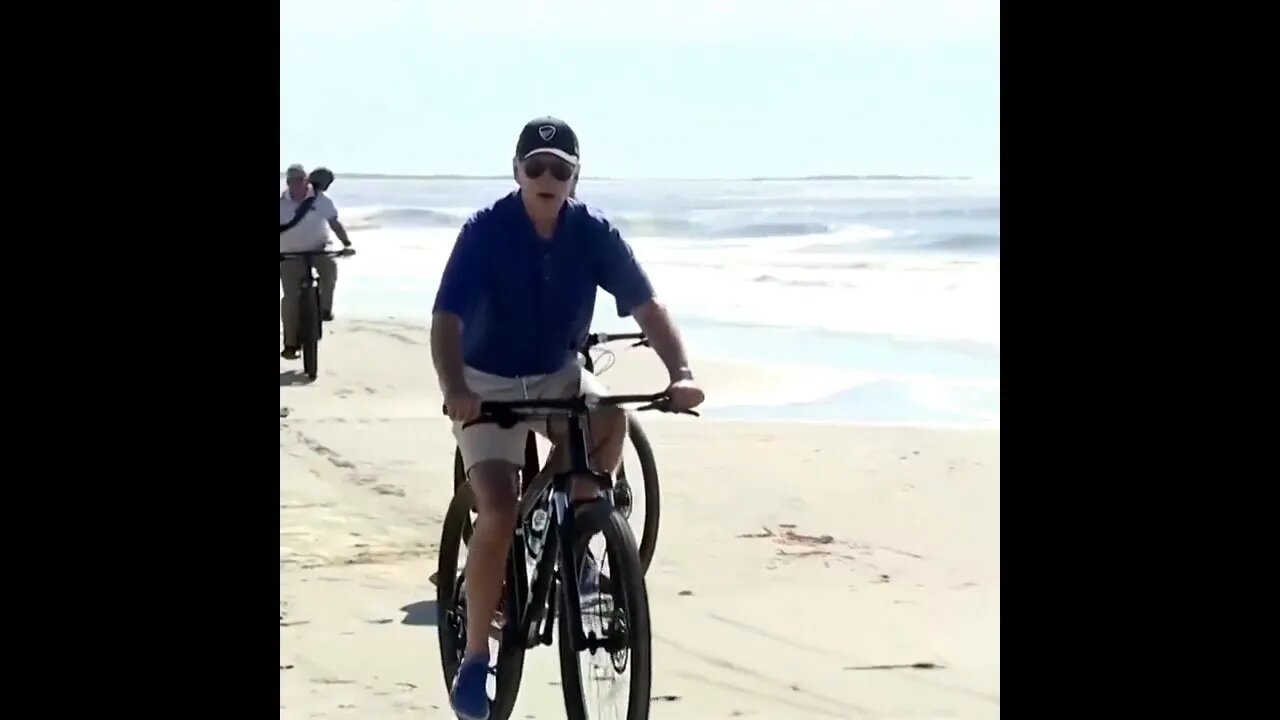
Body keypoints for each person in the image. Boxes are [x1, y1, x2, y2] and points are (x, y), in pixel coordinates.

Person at [430, 116, 705, 720]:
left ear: (576, 177)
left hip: (556, 372)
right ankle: (477, 656)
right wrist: (455, 388)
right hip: (485, 382)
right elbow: (446, 320)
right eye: (536, 167)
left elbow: (647, 305)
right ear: (518, 172)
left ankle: (579, 545)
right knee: (498, 510)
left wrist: (680, 373)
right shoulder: (485, 231)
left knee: (609, 418)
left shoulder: (593, 232)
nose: (548, 178)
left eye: (561, 169)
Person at [278, 164, 352, 359]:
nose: (296, 185)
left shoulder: (320, 199)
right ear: (287, 183)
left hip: (318, 249)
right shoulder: (281, 203)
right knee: (290, 299)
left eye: (300, 180)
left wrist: (346, 243)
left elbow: (334, 223)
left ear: (307, 180)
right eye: (292, 181)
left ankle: (324, 310)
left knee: (330, 269)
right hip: (288, 254)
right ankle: (291, 344)